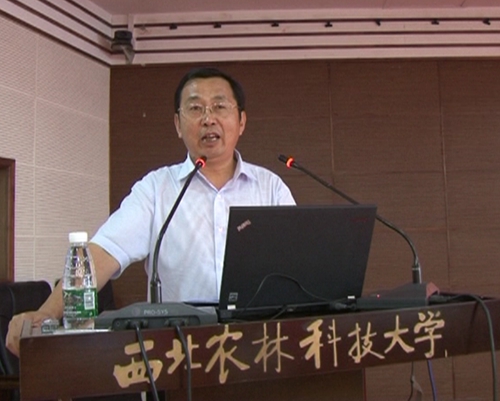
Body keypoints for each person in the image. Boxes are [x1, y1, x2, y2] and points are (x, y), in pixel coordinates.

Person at [6, 66, 295, 356]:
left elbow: (299, 267)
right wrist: (46, 313)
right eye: (195, 108)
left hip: (261, 346)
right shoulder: (156, 190)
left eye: (220, 106)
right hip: (179, 353)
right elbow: (103, 254)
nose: (208, 119)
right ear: (178, 124)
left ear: (241, 121)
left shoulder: (270, 188)